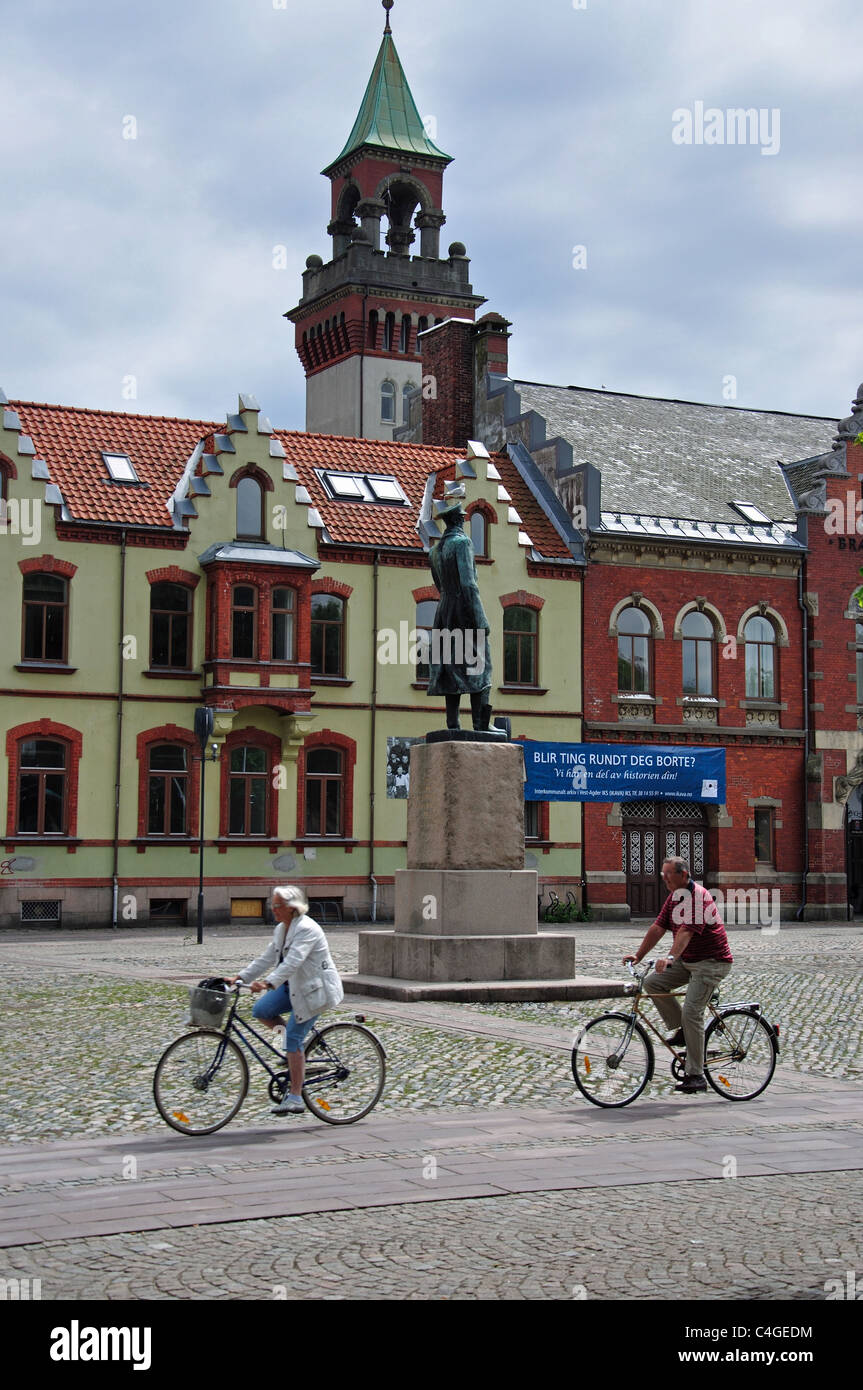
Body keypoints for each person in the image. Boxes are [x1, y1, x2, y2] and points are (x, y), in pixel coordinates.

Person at [228, 885, 344, 1116]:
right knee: (262, 1010)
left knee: (293, 1037)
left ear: (292, 908)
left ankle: (295, 1096)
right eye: (272, 904)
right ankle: (294, 1053)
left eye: (277, 905)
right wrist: (240, 977)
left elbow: (294, 961)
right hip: (292, 987)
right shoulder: (282, 929)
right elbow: (267, 957)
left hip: (314, 990)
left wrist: (268, 983)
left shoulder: (307, 928)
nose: (273, 909)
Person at [622, 856, 733, 1094]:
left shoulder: (699, 897)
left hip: (711, 963)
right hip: (689, 960)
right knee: (653, 983)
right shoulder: (675, 898)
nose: (664, 880)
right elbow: (658, 927)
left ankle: (696, 1075)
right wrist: (639, 956)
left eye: (668, 875)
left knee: (693, 1013)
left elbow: (684, 934)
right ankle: (682, 1030)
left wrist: (670, 958)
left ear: (683, 875)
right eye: (663, 875)